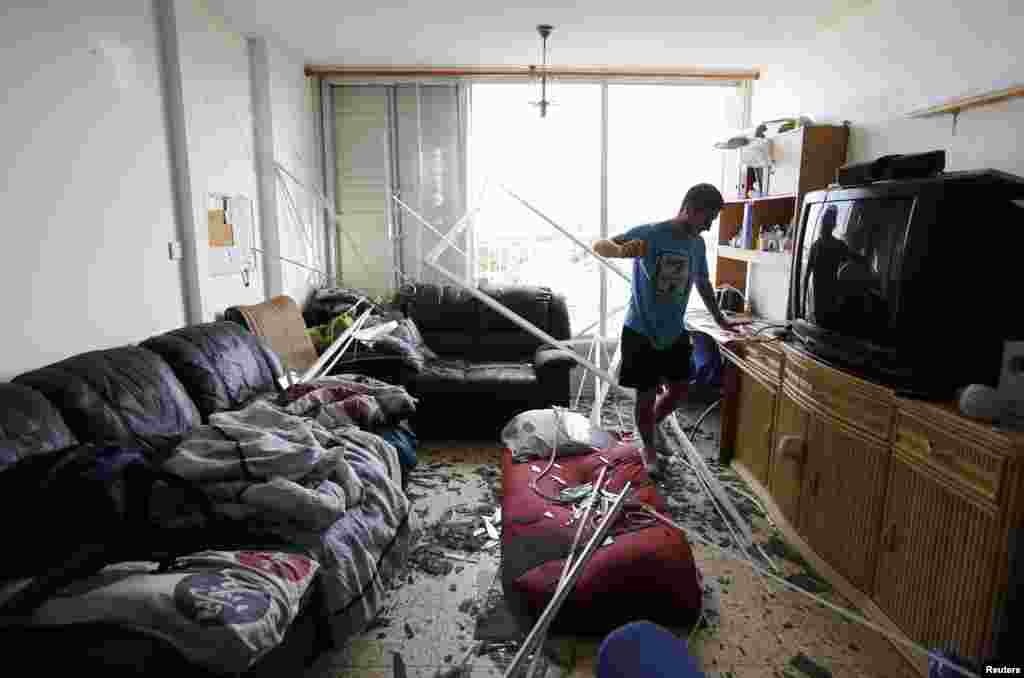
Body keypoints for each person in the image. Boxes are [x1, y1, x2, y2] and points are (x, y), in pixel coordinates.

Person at [593, 183, 748, 478]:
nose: (709, 226)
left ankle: (651, 426)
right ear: (690, 209)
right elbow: (600, 246)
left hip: (674, 331)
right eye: (708, 218)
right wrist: (622, 249)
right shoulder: (651, 233)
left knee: (679, 390)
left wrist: (720, 320)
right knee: (645, 395)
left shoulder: (696, 244)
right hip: (641, 330)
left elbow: (702, 282)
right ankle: (648, 448)